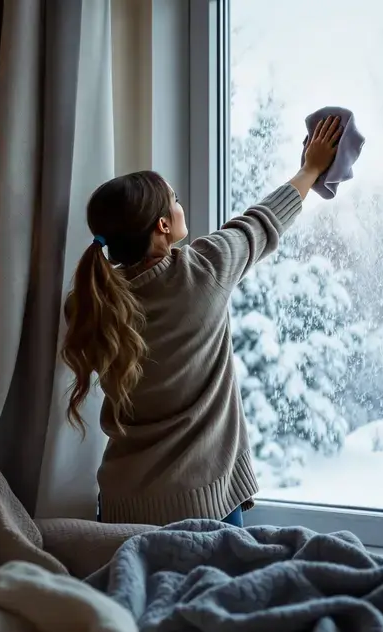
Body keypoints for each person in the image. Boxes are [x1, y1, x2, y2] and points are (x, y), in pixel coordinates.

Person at [61, 115, 344, 527]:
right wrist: (311, 169)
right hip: (204, 502)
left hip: (122, 507)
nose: (180, 205)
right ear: (162, 226)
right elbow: (263, 221)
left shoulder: (89, 303)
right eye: (174, 200)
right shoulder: (204, 271)